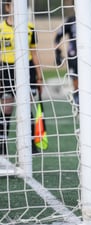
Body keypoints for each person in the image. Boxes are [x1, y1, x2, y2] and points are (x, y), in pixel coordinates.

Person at [0, 0, 43, 155]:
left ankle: (31, 144)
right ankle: (2, 145)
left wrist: (39, 75)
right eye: (13, 5)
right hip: (6, 70)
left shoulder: (29, 27)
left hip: (26, 69)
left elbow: (34, 52)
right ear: (7, 7)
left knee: (26, 105)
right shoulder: (1, 28)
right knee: (7, 108)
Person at [54, 14, 91, 121]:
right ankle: (79, 111)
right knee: (77, 86)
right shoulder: (70, 20)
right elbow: (58, 37)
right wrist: (57, 53)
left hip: (89, 57)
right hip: (74, 57)